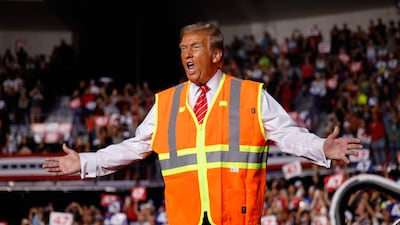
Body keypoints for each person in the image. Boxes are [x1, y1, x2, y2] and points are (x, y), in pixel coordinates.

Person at [43, 22, 362, 225]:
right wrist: (85, 161)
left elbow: (289, 135)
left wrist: (322, 146)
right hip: (184, 219)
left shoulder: (249, 95)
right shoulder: (165, 102)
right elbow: (134, 147)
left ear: (217, 55)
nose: (187, 55)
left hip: (236, 219)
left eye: (195, 47)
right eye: (183, 48)